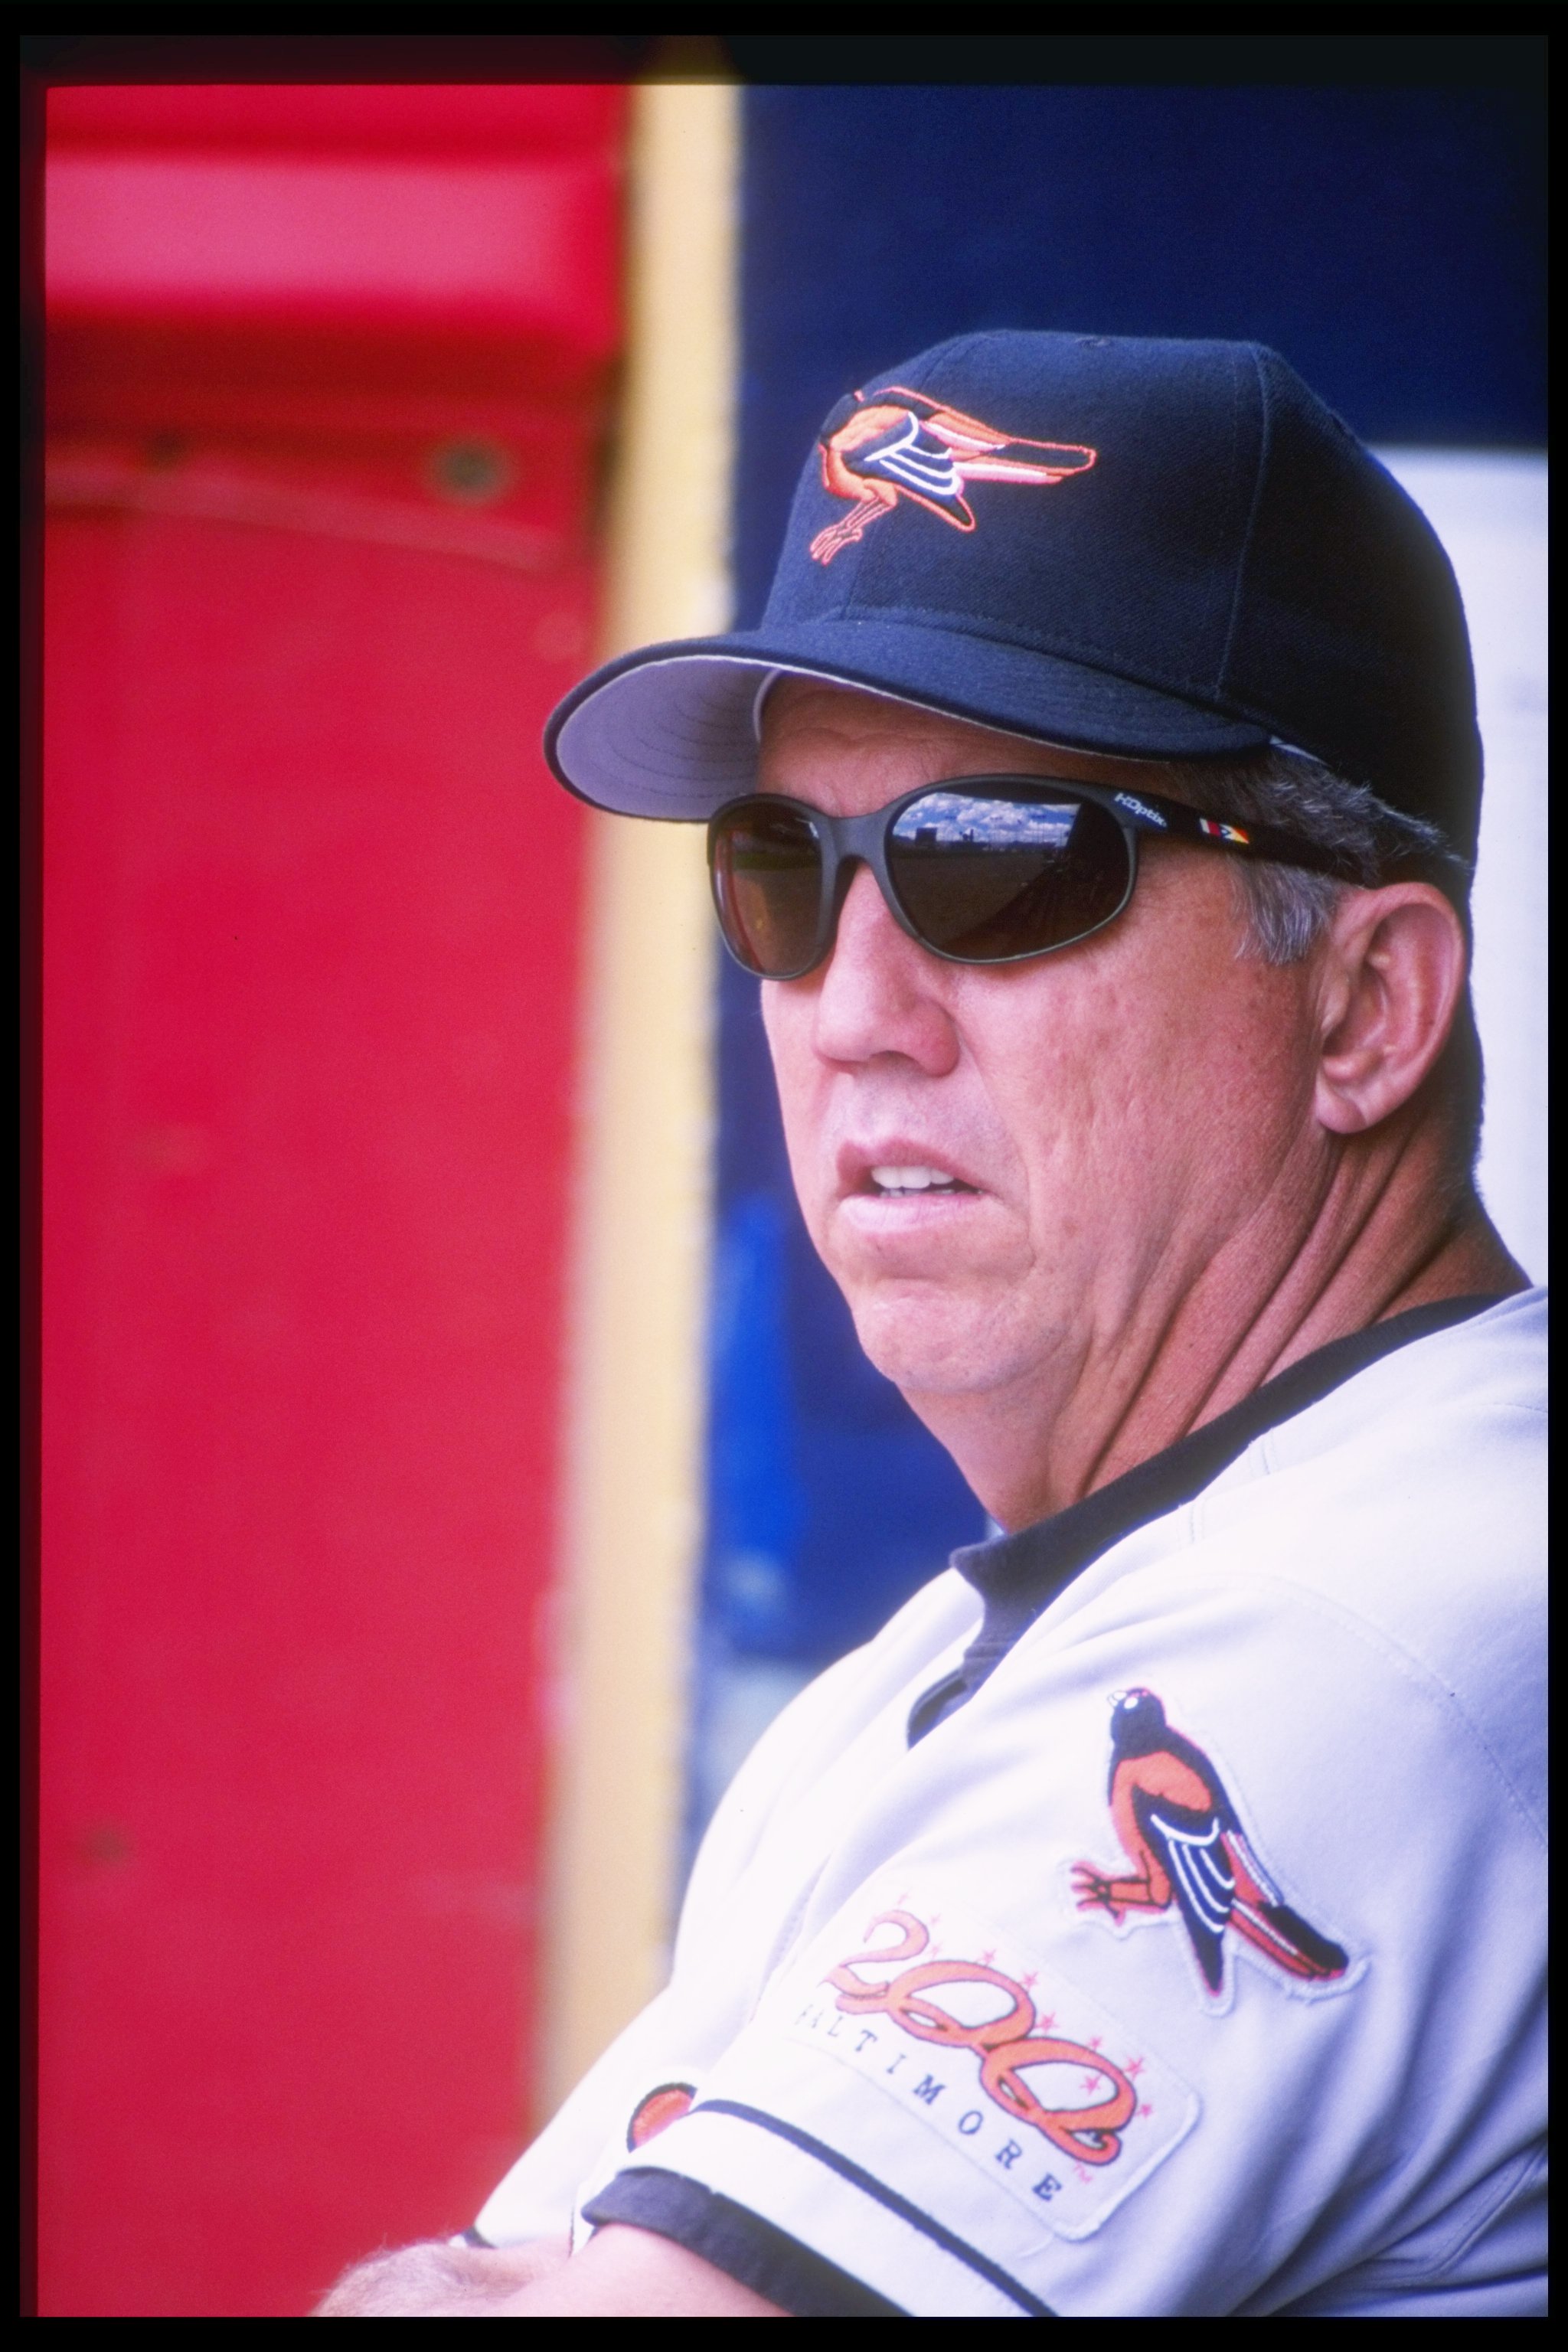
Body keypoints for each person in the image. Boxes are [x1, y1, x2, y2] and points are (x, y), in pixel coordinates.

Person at [315, 333, 1544, 2318]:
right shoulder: (984, 1647)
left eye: (1006, 866)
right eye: (782, 874)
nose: (857, 1007)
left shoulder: (1378, 1618)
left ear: (1367, 1010)